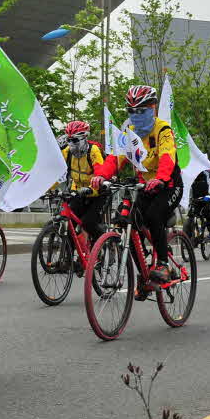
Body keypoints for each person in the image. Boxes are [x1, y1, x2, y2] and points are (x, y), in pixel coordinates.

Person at [90, 85, 183, 288]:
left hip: (168, 185)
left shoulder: (163, 130)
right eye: (131, 111)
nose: (135, 115)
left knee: (153, 216)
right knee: (125, 221)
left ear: (152, 108)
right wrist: (100, 176)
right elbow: (116, 158)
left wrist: (160, 178)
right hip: (144, 186)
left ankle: (163, 264)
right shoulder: (130, 132)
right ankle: (144, 274)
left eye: (141, 111)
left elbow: (167, 157)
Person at [60, 120, 108, 243]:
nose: (71, 144)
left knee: (88, 223)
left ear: (84, 138)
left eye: (75, 140)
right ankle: (69, 254)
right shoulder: (67, 152)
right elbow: (56, 171)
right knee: (69, 222)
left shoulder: (93, 151)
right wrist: (47, 188)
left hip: (98, 193)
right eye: (69, 140)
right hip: (79, 192)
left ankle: (105, 244)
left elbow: (100, 173)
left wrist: (92, 188)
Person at [188, 164, 210, 244]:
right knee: (191, 213)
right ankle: (190, 235)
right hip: (196, 198)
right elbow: (188, 186)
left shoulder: (206, 173)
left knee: (207, 212)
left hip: (207, 197)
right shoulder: (191, 174)